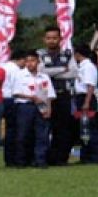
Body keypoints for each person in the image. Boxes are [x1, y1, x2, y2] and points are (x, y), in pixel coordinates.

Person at [39, 27, 78, 165]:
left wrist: (52, 72)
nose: (51, 41)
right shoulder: (40, 54)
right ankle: (43, 158)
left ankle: (60, 159)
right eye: (48, 38)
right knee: (44, 128)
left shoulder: (68, 54)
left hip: (63, 96)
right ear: (44, 39)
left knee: (63, 129)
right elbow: (41, 71)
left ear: (60, 39)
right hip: (44, 97)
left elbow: (73, 73)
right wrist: (62, 69)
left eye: (54, 38)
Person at [11, 51, 54, 168]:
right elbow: (15, 93)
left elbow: (49, 94)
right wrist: (31, 97)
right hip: (25, 106)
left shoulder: (44, 76)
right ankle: (21, 161)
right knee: (23, 134)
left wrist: (48, 109)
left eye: (33, 60)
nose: (30, 63)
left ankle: (40, 160)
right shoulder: (19, 75)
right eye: (27, 61)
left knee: (42, 134)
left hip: (41, 105)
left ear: (38, 62)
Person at [72, 43, 98, 163]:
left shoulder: (88, 66)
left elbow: (90, 86)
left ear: (78, 54)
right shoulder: (81, 66)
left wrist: (86, 102)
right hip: (80, 97)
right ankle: (85, 156)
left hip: (86, 98)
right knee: (84, 129)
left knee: (91, 128)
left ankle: (96, 156)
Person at [0, 48, 25, 167]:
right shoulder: (16, 70)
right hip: (11, 99)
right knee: (12, 130)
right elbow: (17, 88)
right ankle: (10, 159)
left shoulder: (3, 66)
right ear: (21, 60)